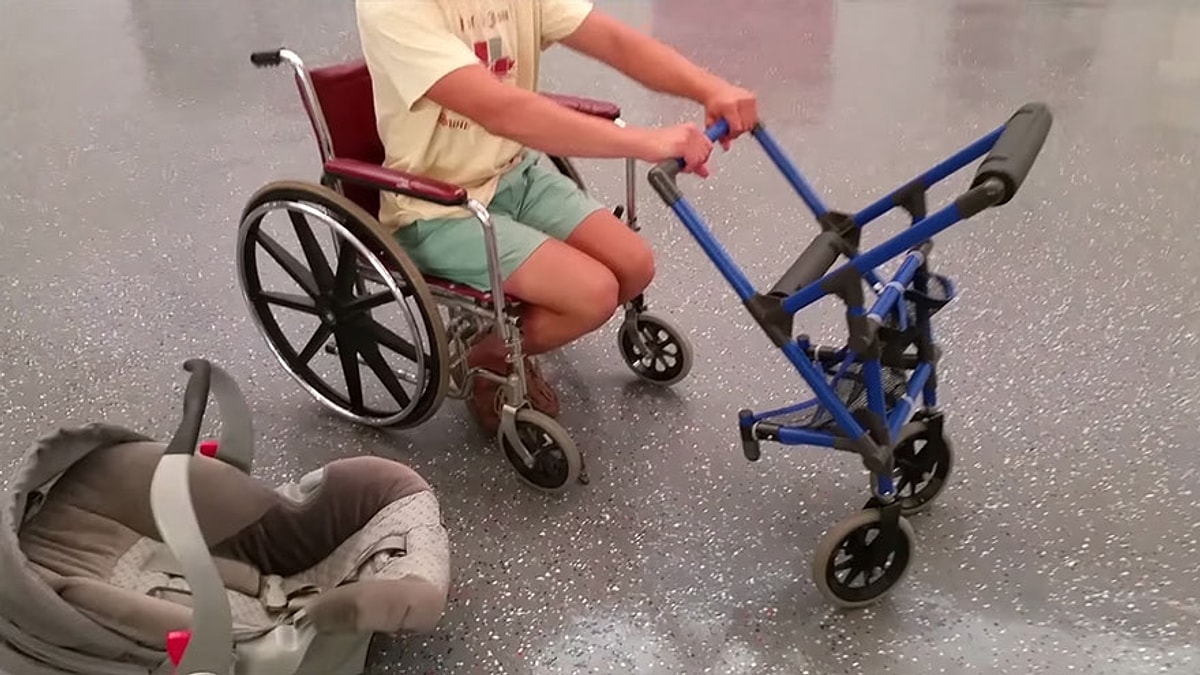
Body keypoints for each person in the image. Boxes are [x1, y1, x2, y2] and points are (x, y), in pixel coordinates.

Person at [355, 0, 759, 432]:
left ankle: (514, 324)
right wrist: (646, 142)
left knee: (635, 266)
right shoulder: (392, 7)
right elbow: (500, 110)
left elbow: (614, 41)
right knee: (593, 296)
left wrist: (710, 88)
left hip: (513, 173)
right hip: (438, 206)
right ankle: (483, 360)